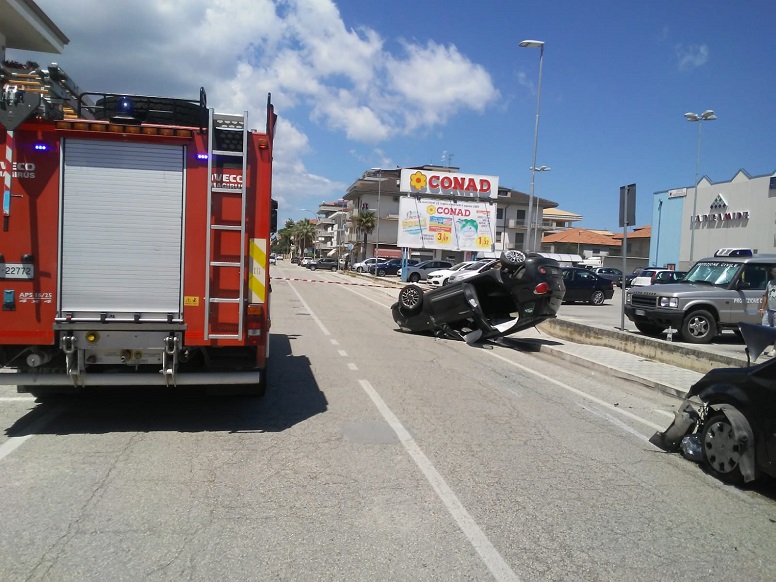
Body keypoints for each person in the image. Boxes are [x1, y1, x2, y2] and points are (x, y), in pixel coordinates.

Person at [759, 266, 776, 356]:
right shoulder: (770, 283)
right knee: (764, 329)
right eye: (773, 272)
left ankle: (774, 349)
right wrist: (762, 308)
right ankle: (761, 347)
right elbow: (766, 295)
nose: (774, 273)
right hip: (769, 310)